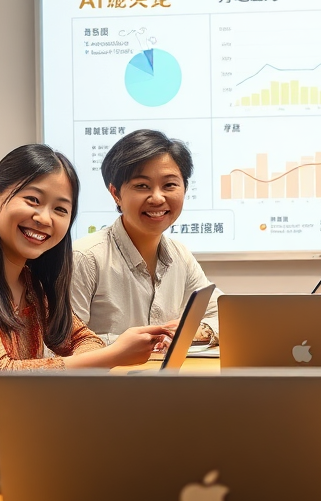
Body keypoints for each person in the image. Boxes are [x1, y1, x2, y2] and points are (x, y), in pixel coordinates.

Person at [0, 143, 171, 369]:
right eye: (33, 200)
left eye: (60, 209)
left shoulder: (31, 282)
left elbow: (85, 339)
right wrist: (111, 356)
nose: (44, 218)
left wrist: (88, 359)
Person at [71, 129, 221, 345]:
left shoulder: (181, 257)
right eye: (142, 186)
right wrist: (141, 342)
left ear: (185, 189)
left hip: (166, 378)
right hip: (107, 379)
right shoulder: (85, 258)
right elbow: (62, 347)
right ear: (116, 194)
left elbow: (224, 314)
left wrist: (200, 331)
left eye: (169, 185)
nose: (158, 198)